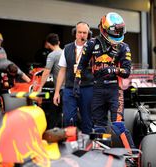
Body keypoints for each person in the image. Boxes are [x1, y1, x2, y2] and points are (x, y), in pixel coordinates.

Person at [73, 12, 135, 150]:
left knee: (118, 125)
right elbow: (81, 65)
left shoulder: (124, 47)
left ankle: (133, 156)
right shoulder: (91, 44)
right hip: (97, 90)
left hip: (115, 90)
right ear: (104, 29)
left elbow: (127, 72)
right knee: (98, 127)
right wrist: (77, 82)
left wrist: (113, 70)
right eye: (115, 31)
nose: (117, 34)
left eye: (120, 31)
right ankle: (101, 157)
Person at [53, 21, 94, 134]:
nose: (82, 35)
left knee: (87, 119)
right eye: (80, 32)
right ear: (75, 33)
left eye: (84, 33)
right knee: (68, 118)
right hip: (70, 88)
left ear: (88, 34)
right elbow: (62, 71)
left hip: (87, 87)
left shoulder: (93, 49)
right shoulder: (67, 48)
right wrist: (57, 92)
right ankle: (70, 145)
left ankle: (87, 147)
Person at [37, 33, 64, 129]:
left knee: (53, 114)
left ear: (48, 44)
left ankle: (51, 136)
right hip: (69, 89)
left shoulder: (52, 55)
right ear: (58, 42)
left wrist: (40, 87)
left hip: (60, 90)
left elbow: (46, 72)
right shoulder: (65, 52)